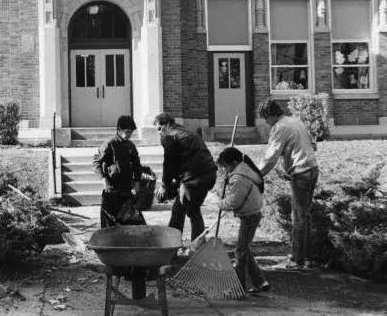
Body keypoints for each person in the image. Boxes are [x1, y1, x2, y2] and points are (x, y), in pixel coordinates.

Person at [256, 100, 320, 270]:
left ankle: (296, 261)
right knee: (304, 215)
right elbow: (313, 145)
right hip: (313, 168)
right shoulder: (296, 121)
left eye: (265, 118)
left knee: (298, 217)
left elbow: (271, 156)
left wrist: (254, 176)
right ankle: (307, 259)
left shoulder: (280, 127)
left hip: (300, 172)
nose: (265, 122)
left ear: (271, 115)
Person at [153, 113, 218, 242]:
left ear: (166, 125)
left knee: (181, 211)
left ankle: (172, 244)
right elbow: (184, 159)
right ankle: (196, 245)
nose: (159, 133)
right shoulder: (186, 131)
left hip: (193, 178)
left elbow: (169, 163)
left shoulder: (169, 136)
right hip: (209, 174)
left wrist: (165, 185)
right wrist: (176, 183)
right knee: (191, 209)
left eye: (160, 129)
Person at [216, 147, 270, 294]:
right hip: (253, 213)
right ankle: (260, 282)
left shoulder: (238, 178)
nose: (225, 170)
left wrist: (220, 203)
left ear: (233, 163)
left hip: (249, 216)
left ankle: (238, 288)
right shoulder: (244, 170)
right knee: (245, 250)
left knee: (240, 252)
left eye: (225, 166)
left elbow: (234, 202)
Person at [92, 115, 142, 228]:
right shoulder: (109, 144)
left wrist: (137, 182)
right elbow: (96, 163)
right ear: (119, 129)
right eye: (127, 132)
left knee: (129, 221)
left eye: (131, 133)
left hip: (127, 189)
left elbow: (137, 165)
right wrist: (104, 179)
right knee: (110, 222)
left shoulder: (130, 145)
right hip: (112, 189)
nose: (129, 135)